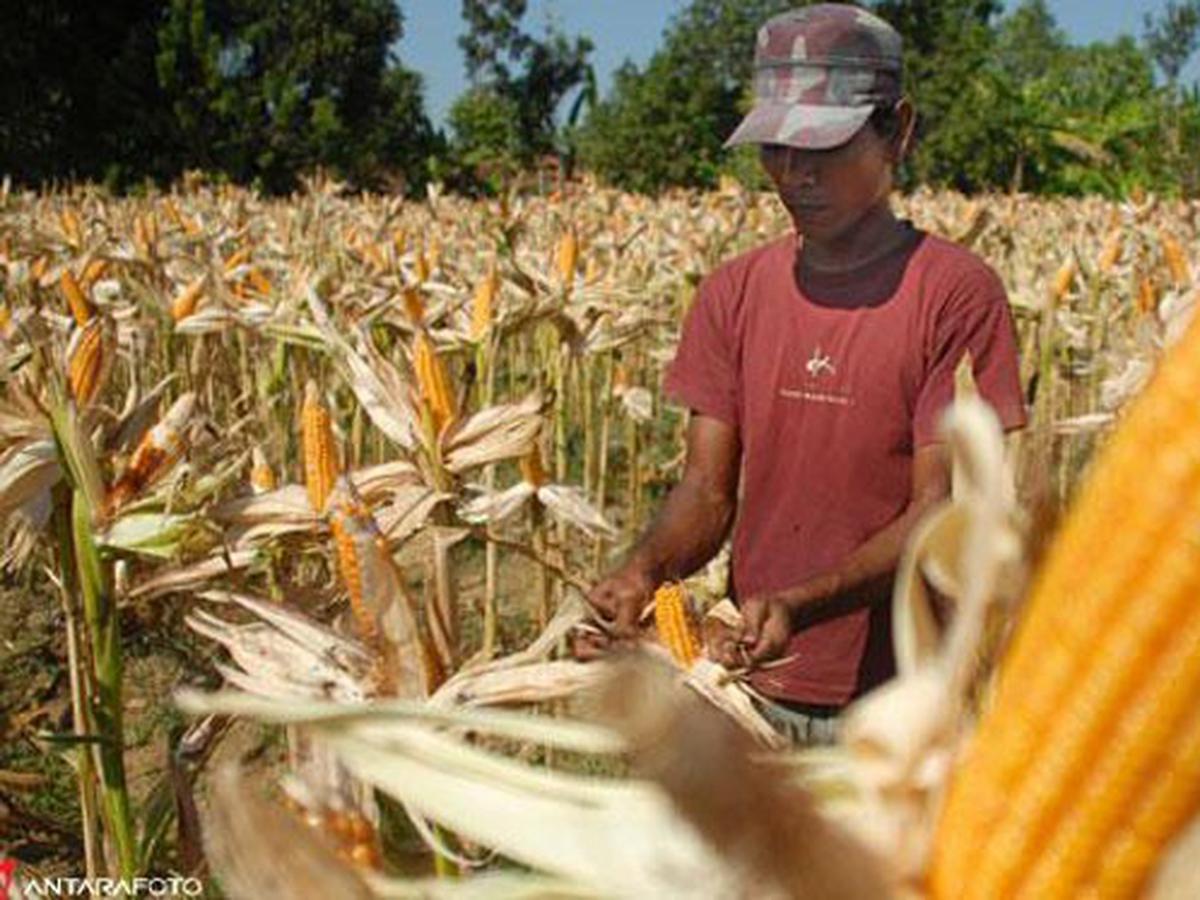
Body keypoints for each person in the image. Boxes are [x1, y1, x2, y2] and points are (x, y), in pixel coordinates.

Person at [583, 3, 1028, 745]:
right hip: (747, 686)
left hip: (903, 705)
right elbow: (706, 490)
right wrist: (643, 570)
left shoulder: (956, 294)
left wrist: (802, 603)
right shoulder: (733, 293)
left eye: (823, 145)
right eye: (777, 147)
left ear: (898, 132)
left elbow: (939, 511)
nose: (795, 174)